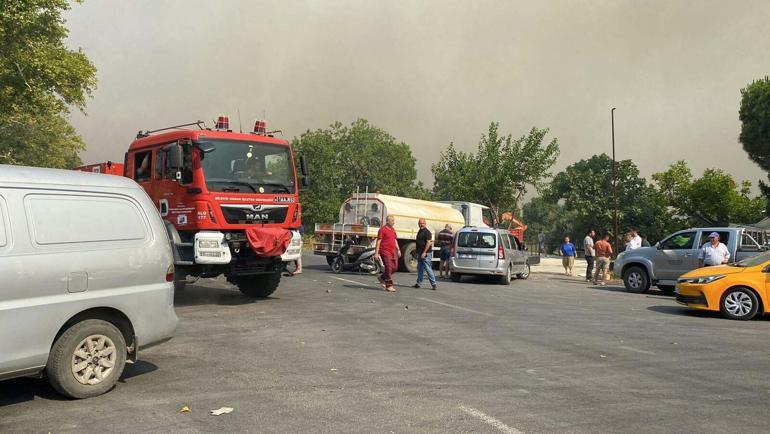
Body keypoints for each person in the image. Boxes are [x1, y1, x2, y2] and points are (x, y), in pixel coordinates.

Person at [374, 215, 401, 292]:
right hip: (385, 251)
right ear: (387, 221)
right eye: (392, 220)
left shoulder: (393, 230)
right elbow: (378, 241)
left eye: (394, 220)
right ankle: (389, 285)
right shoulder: (382, 230)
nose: (394, 222)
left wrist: (398, 249)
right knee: (389, 267)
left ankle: (382, 278)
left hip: (393, 251)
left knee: (394, 268)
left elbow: (395, 240)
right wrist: (376, 253)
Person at [413, 218, 437, 290]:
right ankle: (418, 283)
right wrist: (417, 252)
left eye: (422, 223)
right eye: (420, 223)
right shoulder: (420, 231)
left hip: (426, 253)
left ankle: (434, 284)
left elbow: (428, 243)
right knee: (419, 268)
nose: (421, 225)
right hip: (420, 253)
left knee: (427, 268)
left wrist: (424, 252)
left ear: (425, 224)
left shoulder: (427, 232)